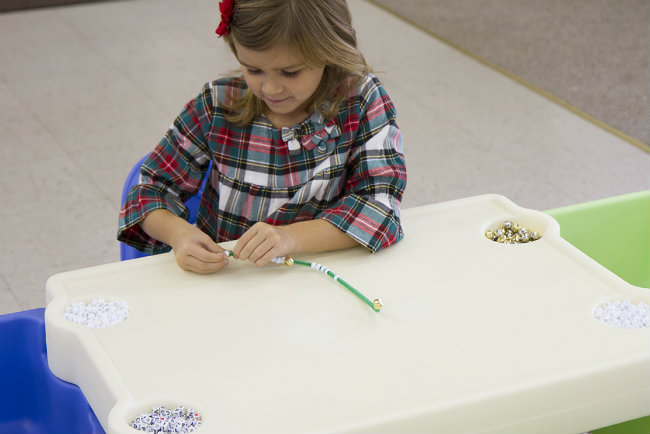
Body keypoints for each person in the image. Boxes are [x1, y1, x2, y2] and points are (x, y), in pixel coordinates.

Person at [118, 0, 407, 274]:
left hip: (321, 284)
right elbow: (148, 190)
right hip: (229, 287)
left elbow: (380, 206)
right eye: (253, 69)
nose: (271, 88)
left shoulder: (360, 101)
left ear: (329, 51)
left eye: (290, 72)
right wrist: (179, 233)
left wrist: (290, 238)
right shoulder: (217, 104)